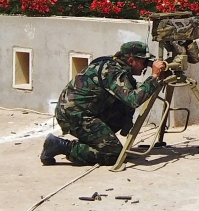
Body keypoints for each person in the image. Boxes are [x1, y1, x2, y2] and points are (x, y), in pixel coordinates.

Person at [39, 41, 167, 166]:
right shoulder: (111, 70)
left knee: (121, 111)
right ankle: (61, 146)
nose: (145, 66)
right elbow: (133, 100)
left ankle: (98, 141)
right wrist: (154, 77)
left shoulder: (116, 65)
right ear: (131, 61)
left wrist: (155, 79)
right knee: (113, 155)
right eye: (143, 62)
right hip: (75, 114)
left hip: (89, 110)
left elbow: (131, 90)